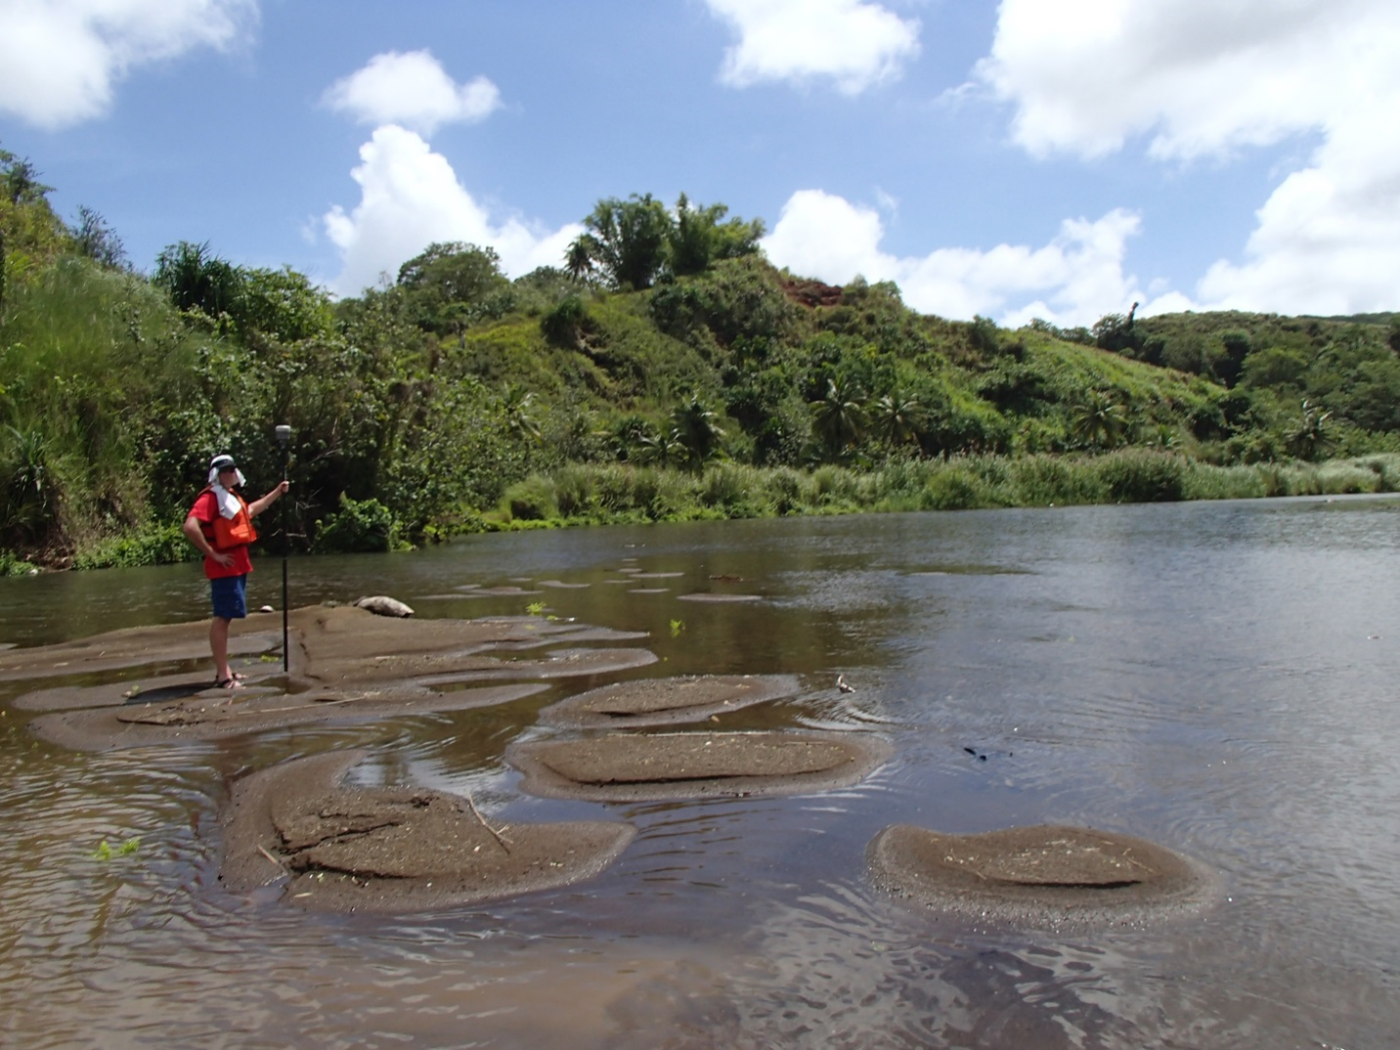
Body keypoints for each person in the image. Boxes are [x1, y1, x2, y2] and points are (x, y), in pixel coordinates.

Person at [182, 454, 289, 689]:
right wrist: (213, 554)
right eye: (225, 470)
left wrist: (276, 493)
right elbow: (190, 526)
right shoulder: (210, 498)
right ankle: (223, 676)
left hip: (237, 565)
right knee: (222, 617)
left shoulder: (229, 497)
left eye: (232, 468)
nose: (230, 472)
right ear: (216, 474)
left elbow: (248, 512)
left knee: (227, 616)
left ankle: (225, 670)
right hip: (224, 567)